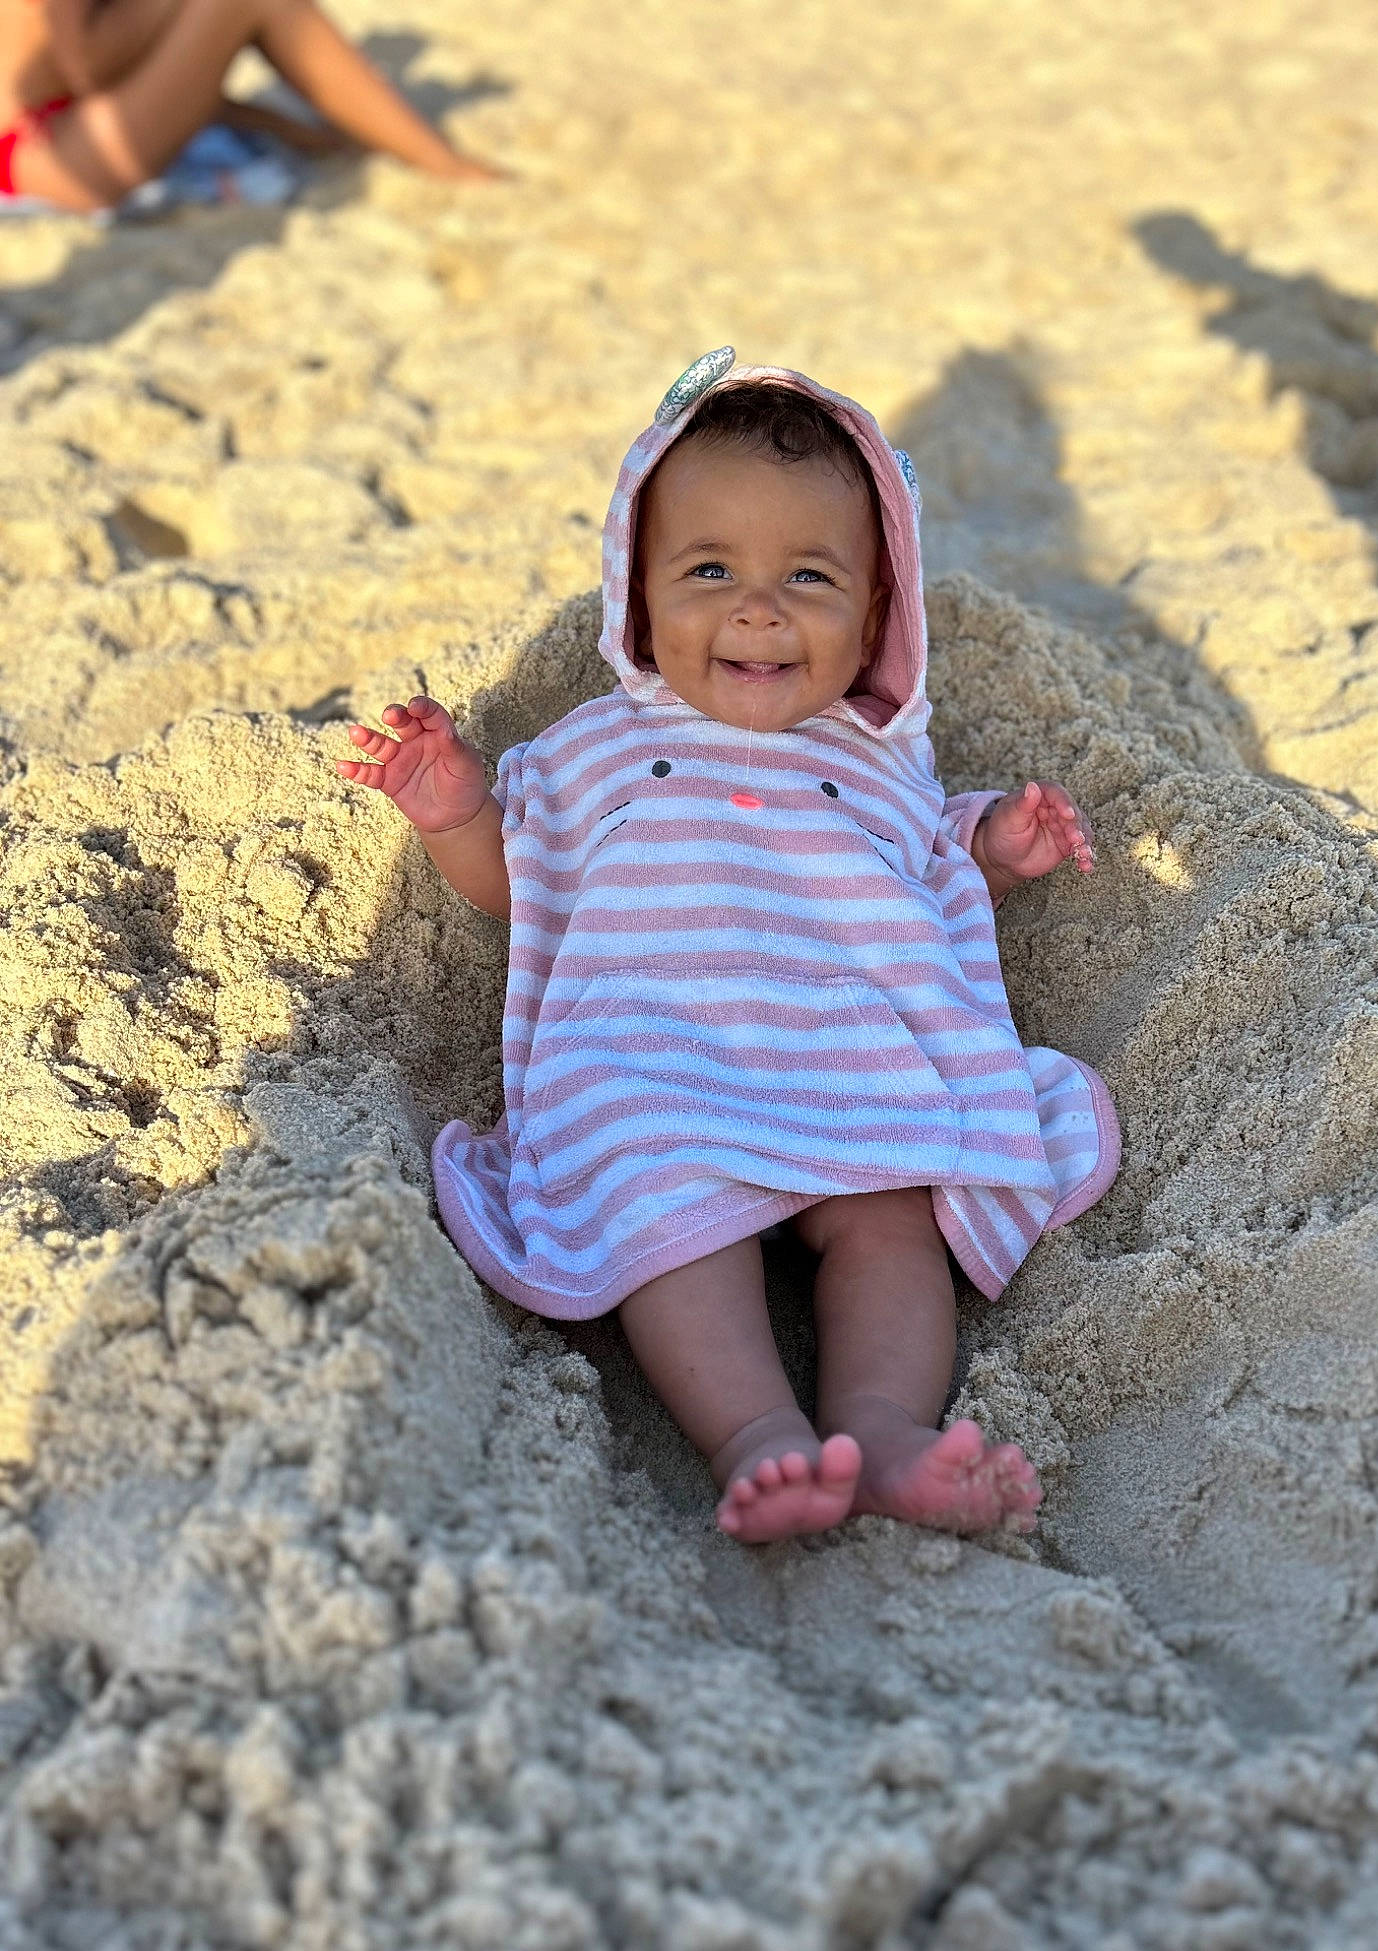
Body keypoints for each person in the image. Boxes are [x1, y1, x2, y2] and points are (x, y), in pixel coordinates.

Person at [338, 350, 1122, 1544]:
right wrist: (455, 812)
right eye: (710, 570)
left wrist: (999, 847)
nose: (757, 607)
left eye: (808, 575)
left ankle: (885, 1424)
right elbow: (523, 881)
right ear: (641, 595)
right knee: (657, 1195)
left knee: (894, 1214)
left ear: (876, 614)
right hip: (658, 1056)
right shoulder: (593, 747)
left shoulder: (881, 757)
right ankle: (757, 1432)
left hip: (843, 1047)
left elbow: (924, 874)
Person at [0, 0, 497, 211]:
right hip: (41, 154)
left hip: (55, 138)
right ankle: (444, 163)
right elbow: (87, 65)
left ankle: (399, 145)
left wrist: (284, 127)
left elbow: (152, 79)